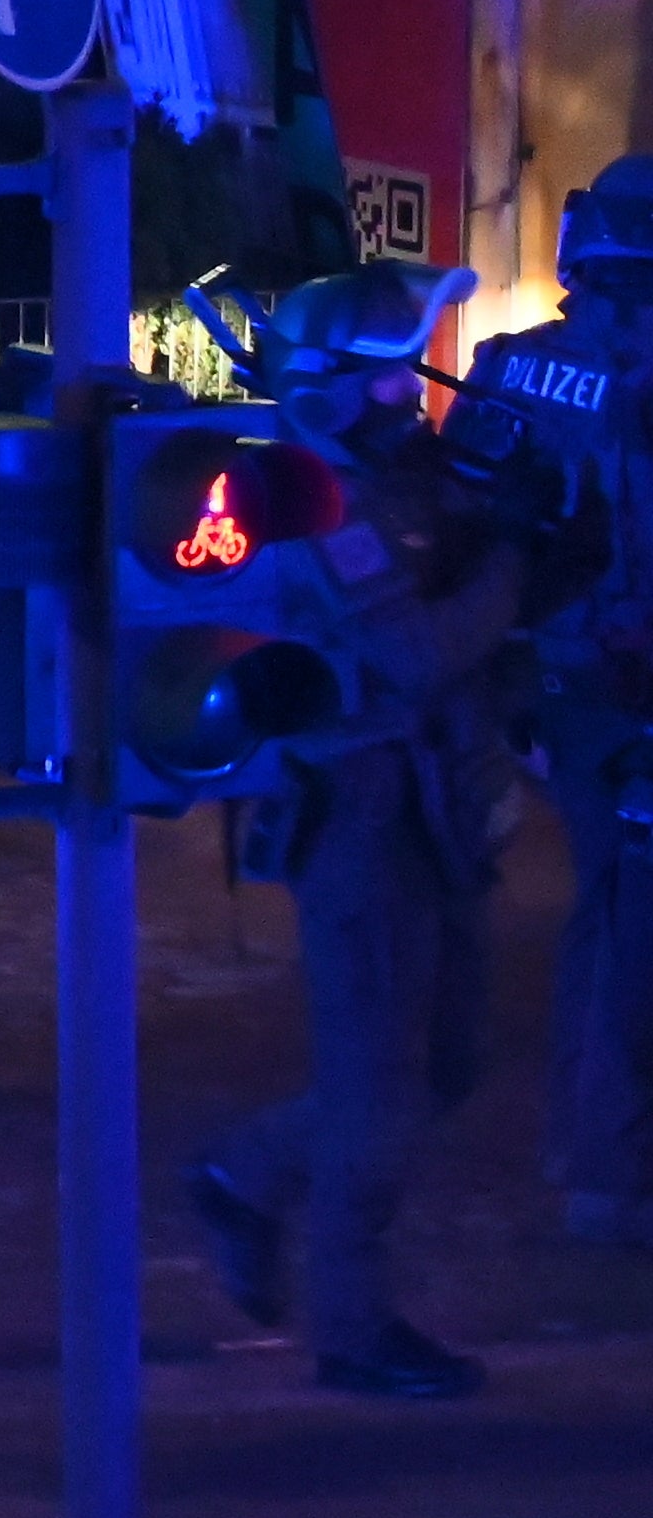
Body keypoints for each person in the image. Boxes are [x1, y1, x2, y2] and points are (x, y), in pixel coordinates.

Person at [194, 261, 519, 1400]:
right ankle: (353, 1325)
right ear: (331, 386)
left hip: (432, 805)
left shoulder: (398, 476)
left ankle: (248, 1170)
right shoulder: (312, 500)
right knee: (377, 1083)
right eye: (387, 377)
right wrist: (517, 577)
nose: (408, 396)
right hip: (361, 815)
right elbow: (413, 656)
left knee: (449, 1062)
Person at [475, 158, 653, 1241]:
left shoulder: (513, 371)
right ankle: (603, 1169)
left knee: (606, 909)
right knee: (629, 920)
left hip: (550, 687)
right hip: (612, 688)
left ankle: (582, 1147)